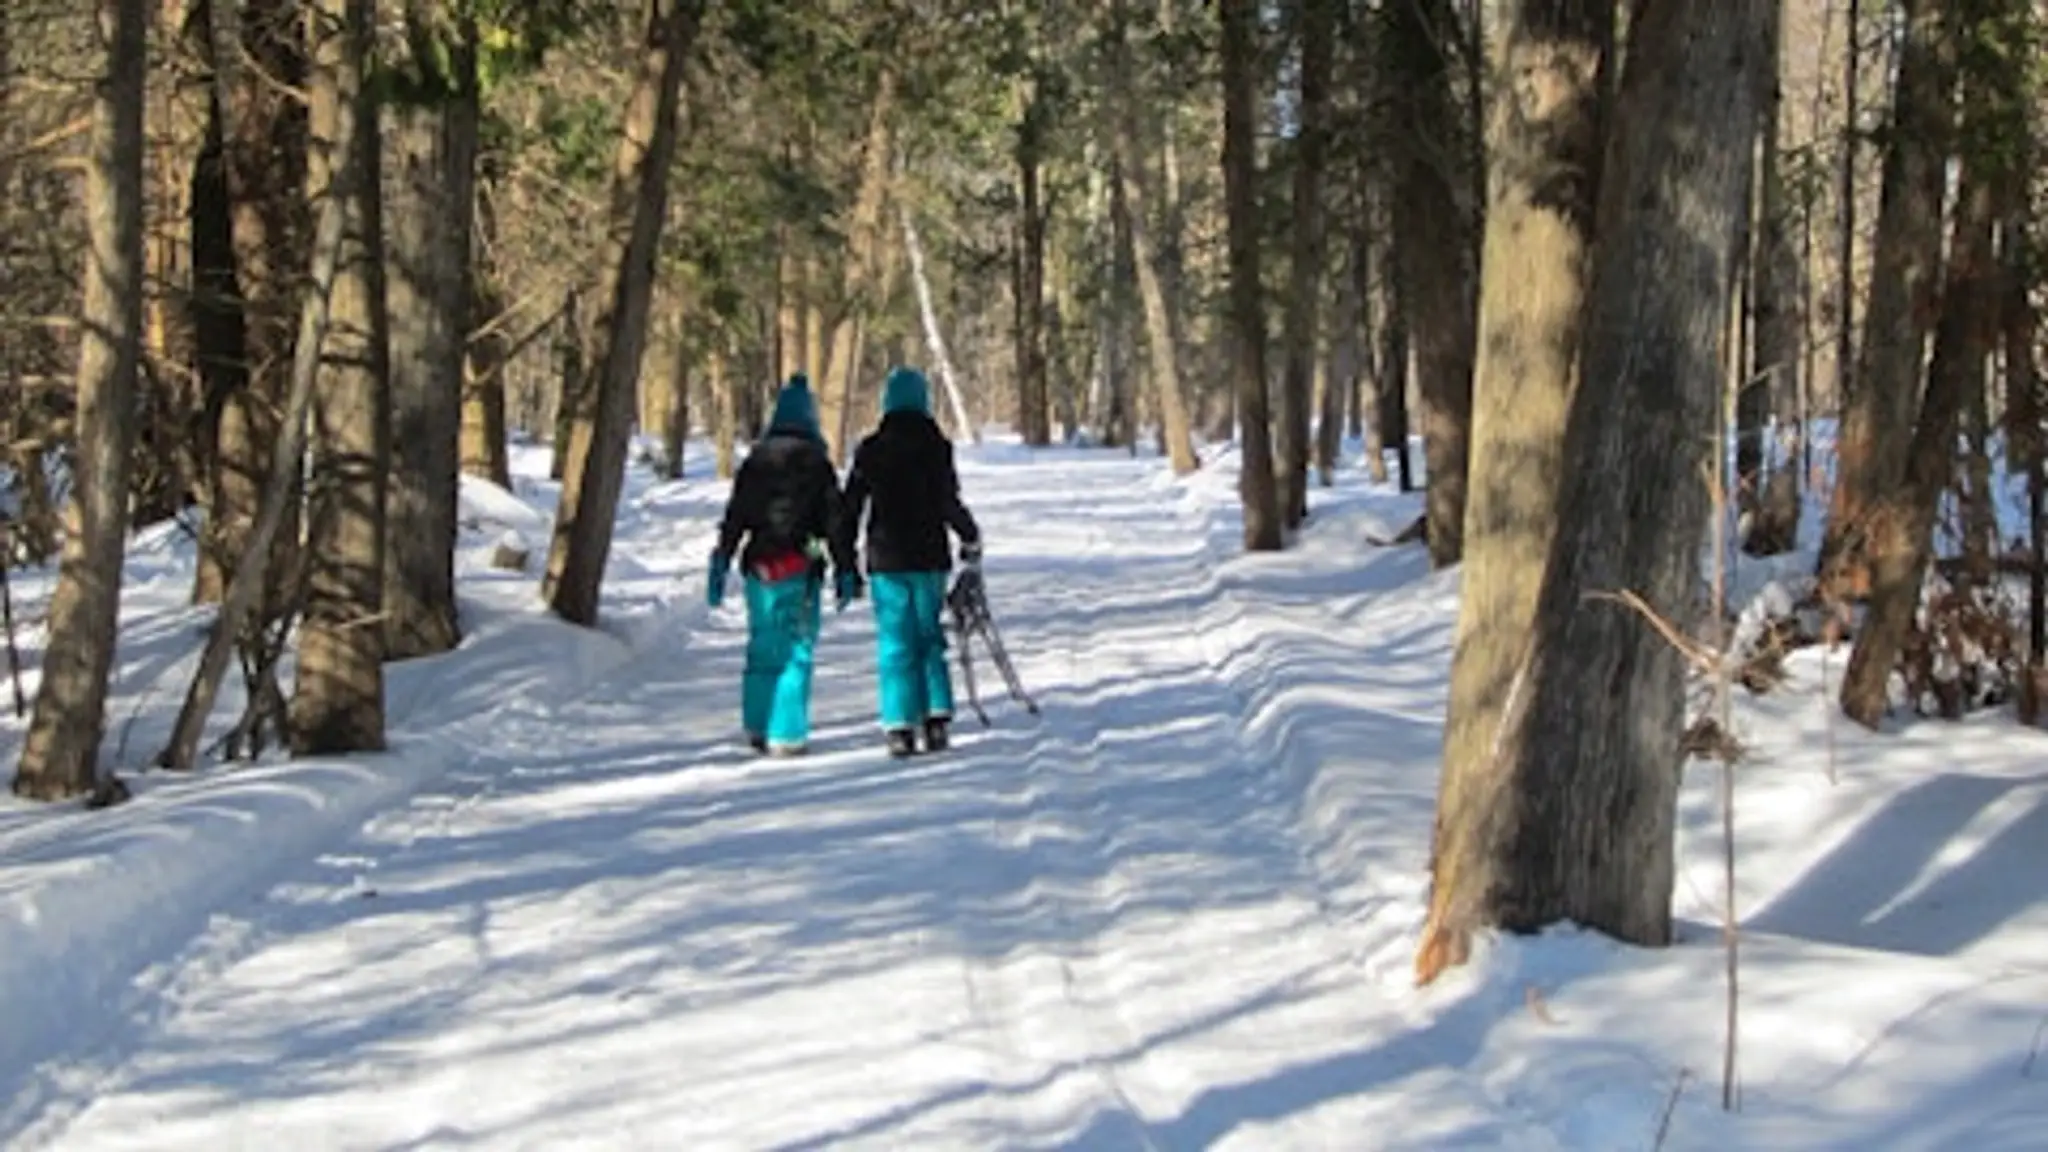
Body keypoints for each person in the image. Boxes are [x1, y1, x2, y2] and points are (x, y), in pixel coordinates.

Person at [708, 374, 862, 756]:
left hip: (759, 567)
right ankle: (787, 732)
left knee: (762, 645)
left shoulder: (754, 464)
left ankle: (757, 725)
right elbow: (835, 523)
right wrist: (846, 567)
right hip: (800, 567)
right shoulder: (817, 465)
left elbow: (735, 517)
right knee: (796, 649)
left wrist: (721, 559)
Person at [839, 365, 981, 757]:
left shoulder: (871, 449)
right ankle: (936, 718)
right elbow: (947, 501)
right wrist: (969, 535)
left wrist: (845, 556)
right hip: (929, 558)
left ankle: (900, 725)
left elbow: (850, 508)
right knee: (929, 637)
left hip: (886, 560)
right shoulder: (937, 447)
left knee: (895, 642)